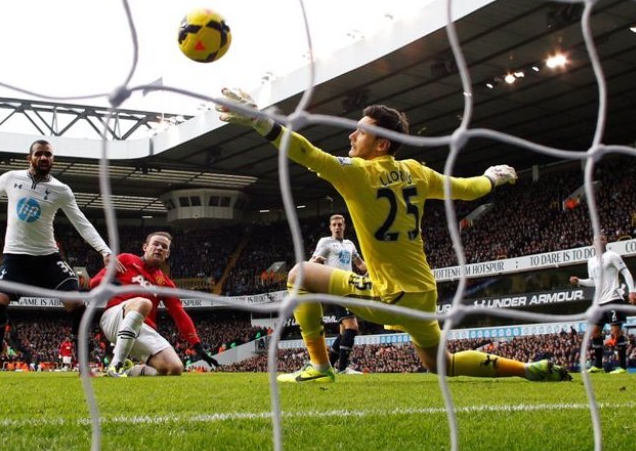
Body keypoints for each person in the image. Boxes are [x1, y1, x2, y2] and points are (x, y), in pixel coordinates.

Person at [218, 88, 572, 383]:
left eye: (360, 131)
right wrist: (494, 177)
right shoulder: (416, 172)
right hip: (423, 292)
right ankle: (530, 369)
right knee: (441, 364)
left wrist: (259, 121)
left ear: (383, 144)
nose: (351, 136)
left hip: (390, 294)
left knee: (300, 274)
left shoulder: (357, 173)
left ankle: (320, 366)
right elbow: (467, 189)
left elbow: (306, 152)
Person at [0, 139, 118, 377]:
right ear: (30, 158)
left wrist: (105, 251)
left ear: (52, 159)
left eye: (48, 154)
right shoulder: (11, 178)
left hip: (48, 258)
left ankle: (84, 366)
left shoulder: (61, 190)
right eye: (39, 154)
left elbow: (82, 223)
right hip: (15, 257)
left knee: (77, 304)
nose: (44, 158)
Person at [89, 231, 219, 377]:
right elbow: (94, 283)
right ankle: (116, 365)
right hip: (114, 318)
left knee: (174, 368)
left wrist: (198, 346)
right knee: (144, 303)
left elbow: (179, 314)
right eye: (155, 244)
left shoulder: (165, 283)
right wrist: (109, 282)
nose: (159, 248)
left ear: (167, 254)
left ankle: (131, 371)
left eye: (164, 247)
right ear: (145, 247)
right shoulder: (126, 259)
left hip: (142, 328)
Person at [569, 234, 635, 374]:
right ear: (593, 243)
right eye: (597, 239)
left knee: (616, 332)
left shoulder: (612, 255)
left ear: (606, 241)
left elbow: (626, 272)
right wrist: (579, 281)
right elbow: (593, 281)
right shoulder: (591, 261)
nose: (600, 240)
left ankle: (623, 367)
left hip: (613, 299)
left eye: (603, 238)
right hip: (599, 302)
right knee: (595, 332)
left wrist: (632, 291)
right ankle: (598, 365)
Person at [310, 214, 367, 373]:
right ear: (330, 227)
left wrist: (376, 269)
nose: (337, 227)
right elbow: (314, 262)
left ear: (344, 226)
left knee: (344, 331)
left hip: (349, 288)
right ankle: (342, 368)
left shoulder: (349, 244)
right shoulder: (326, 242)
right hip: (336, 288)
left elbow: (360, 264)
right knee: (352, 327)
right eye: (334, 224)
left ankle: (328, 366)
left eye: (339, 224)